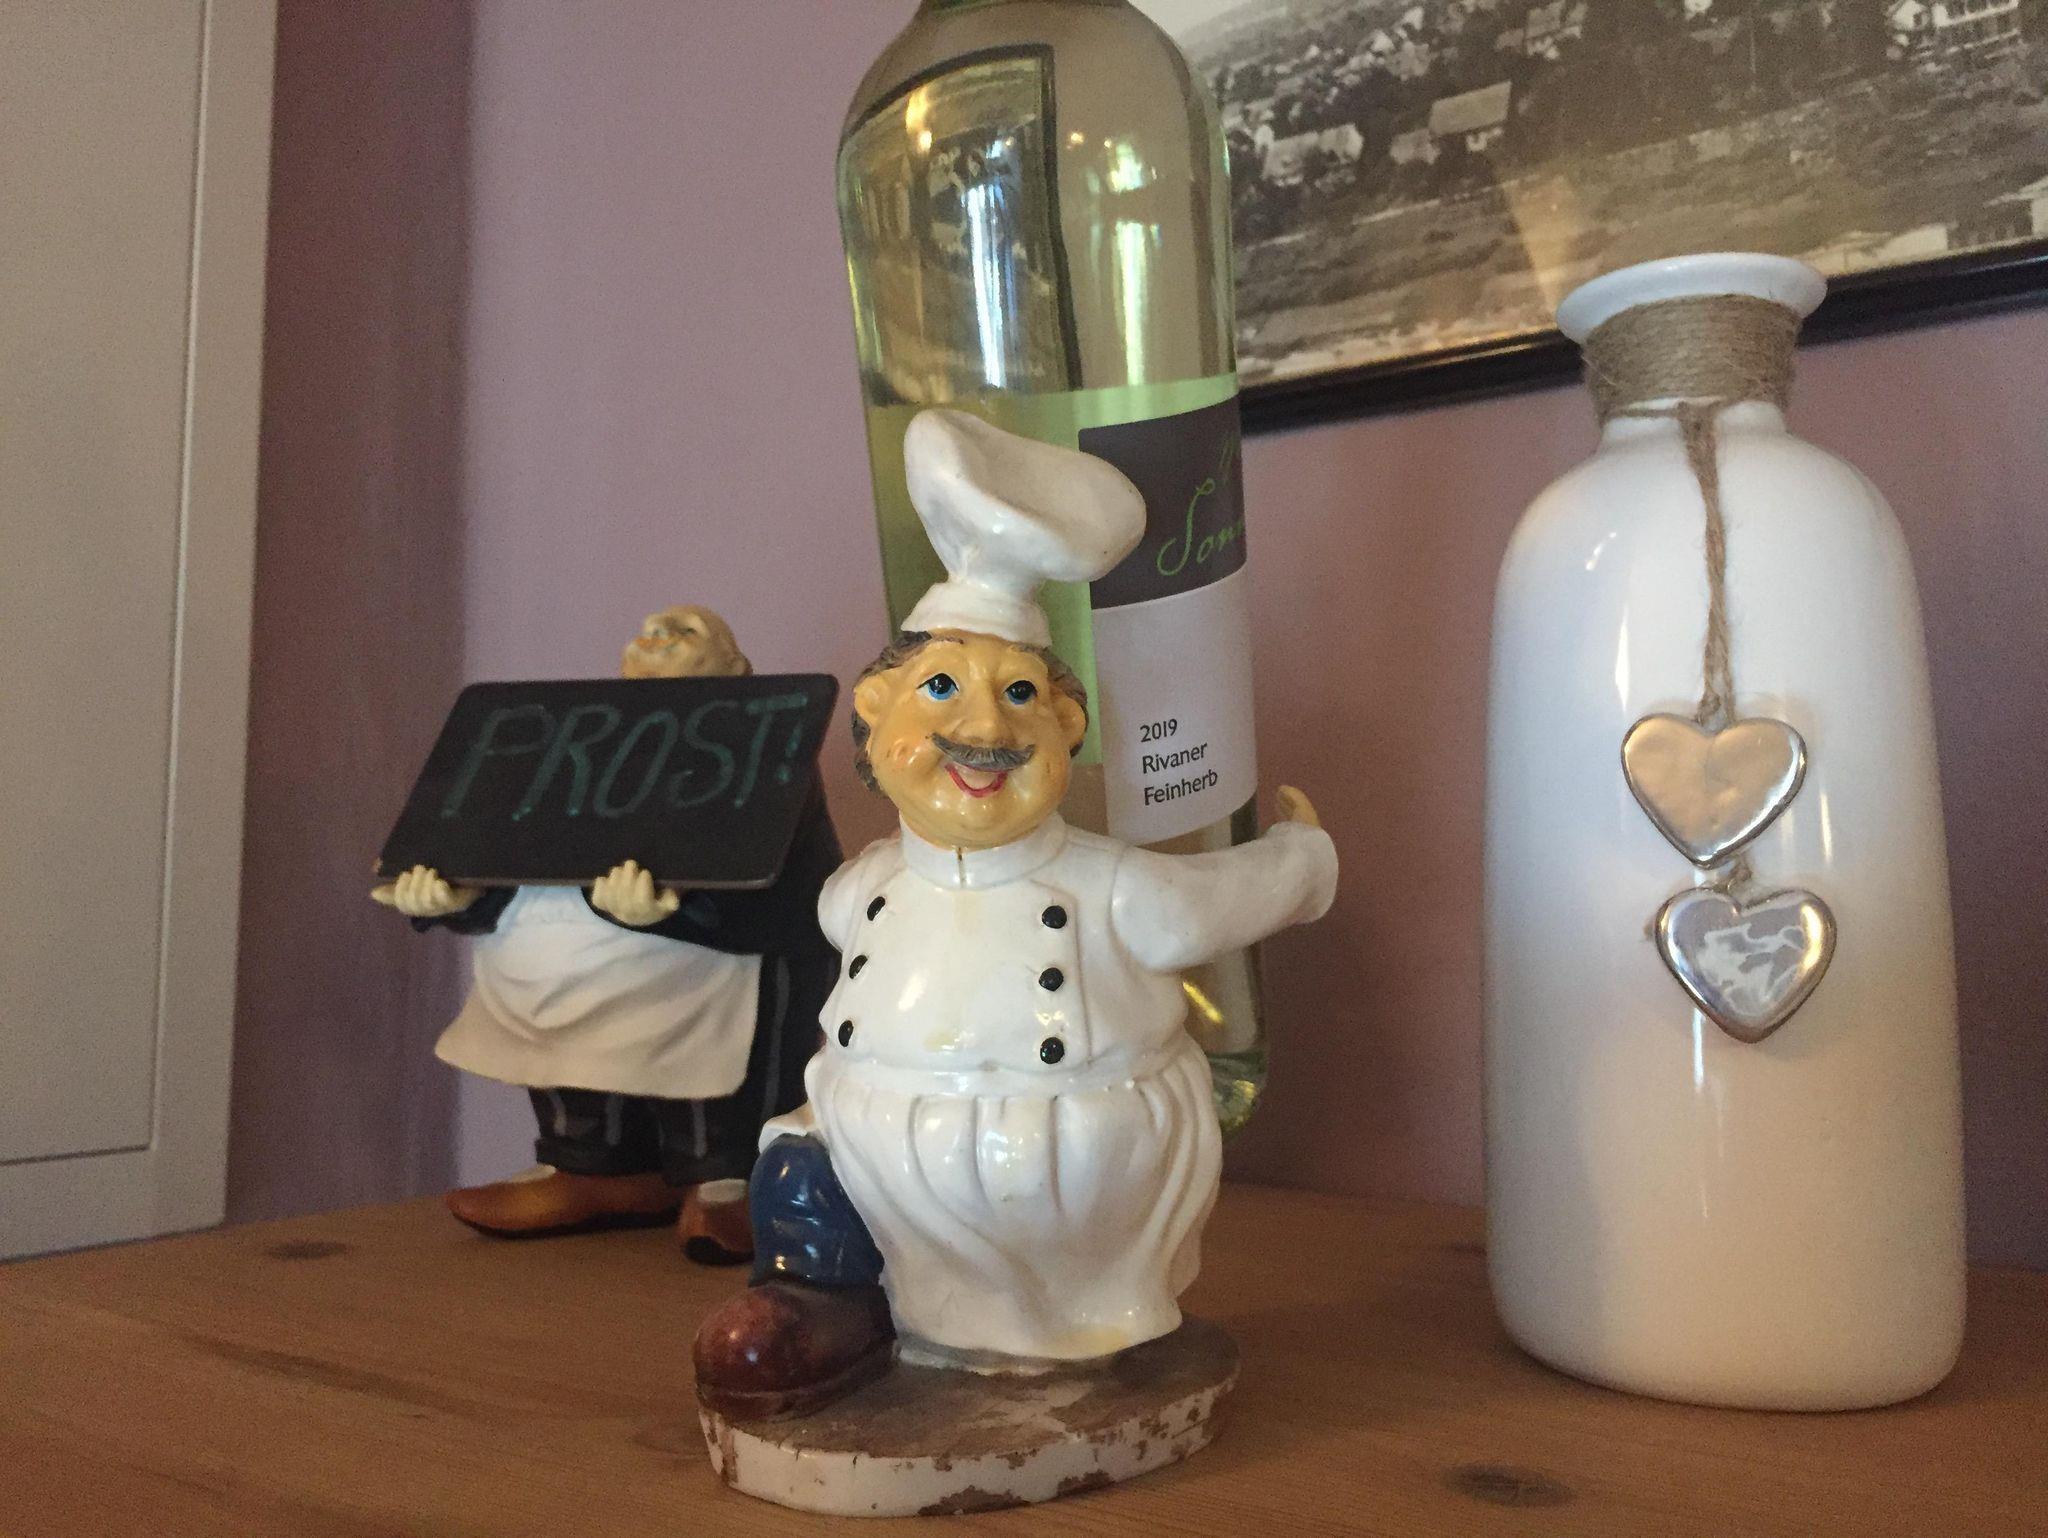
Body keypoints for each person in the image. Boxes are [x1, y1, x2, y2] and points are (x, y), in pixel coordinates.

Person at [693, 414, 1337, 1418]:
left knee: (1044, 1256)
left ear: (1064, 730)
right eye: (940, 688)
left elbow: (1221, 901)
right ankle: (818, 1299)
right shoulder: (857, 890)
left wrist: (1299, 856)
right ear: (875, 714)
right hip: (875, 1161)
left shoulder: (1113, 890)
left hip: (1067, 1176)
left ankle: (1053, 1331)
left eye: (1022, 695)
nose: (984, 726)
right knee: (799, 1160)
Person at [375, 606, 839, 1262]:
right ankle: (593, 1164)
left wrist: (678, 912)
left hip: (714, 952)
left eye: (684, 633)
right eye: (650, 632)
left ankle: (726, 1177)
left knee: (712, 1031)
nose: (658, 637)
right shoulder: (575, 744)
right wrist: (459, 895)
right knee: (549, 992)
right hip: (571, 957)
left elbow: (779, 879)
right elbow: (513, 842)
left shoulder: (762, 751)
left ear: (736, 669)